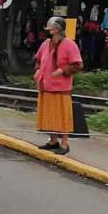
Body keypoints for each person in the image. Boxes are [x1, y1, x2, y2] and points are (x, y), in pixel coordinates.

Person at [34, 17, 82, 155]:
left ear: (58, 29)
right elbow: (38, 59)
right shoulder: (46, 44)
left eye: (52, 28)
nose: (50, 31)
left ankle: (65, 144)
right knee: (49, 115)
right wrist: (37, 70)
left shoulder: (69, 44)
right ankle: (53, 141)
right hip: (45, 85)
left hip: (61, 87)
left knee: (62, 117)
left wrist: (62, 70)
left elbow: (78, 65)